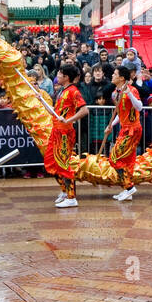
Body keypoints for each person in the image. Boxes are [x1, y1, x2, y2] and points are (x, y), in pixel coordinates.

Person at [47, 64, 88, 208]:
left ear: (66, 77)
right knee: (53, 162)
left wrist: (69, 120)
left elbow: (84, 110)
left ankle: (71, 197)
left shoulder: (73, 91)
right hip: (56, 131)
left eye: (59, 73)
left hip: (65, 132)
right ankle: (65, 191)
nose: (57, 76)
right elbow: (57, 112)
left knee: (64, 163)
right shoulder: (62, 91)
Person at [106, 65, 142, 201]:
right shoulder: (117, 92)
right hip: (124, 128)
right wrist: (111, 125)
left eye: (114, 74)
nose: (112, 76)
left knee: (114, 158)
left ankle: (129, 187)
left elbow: (139, 107)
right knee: (127, 161)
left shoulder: (131, 90)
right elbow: (120, 113)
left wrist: (129, 94)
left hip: (132, 130)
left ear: (121, 78)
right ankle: (126, 189)